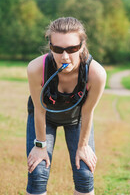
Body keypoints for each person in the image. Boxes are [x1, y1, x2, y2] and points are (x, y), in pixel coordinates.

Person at [26, 17, 106, 195]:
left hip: (76, 119)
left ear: (82, 46)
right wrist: (40, 146)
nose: (64, 56)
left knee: (85, 172)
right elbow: (39, 110)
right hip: (44, 117)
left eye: (72, 49)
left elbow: (87, 112)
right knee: (38, 172)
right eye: (58, 49)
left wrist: (83, 146)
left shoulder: (96, 74)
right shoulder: (36, 68)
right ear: (50, 46)